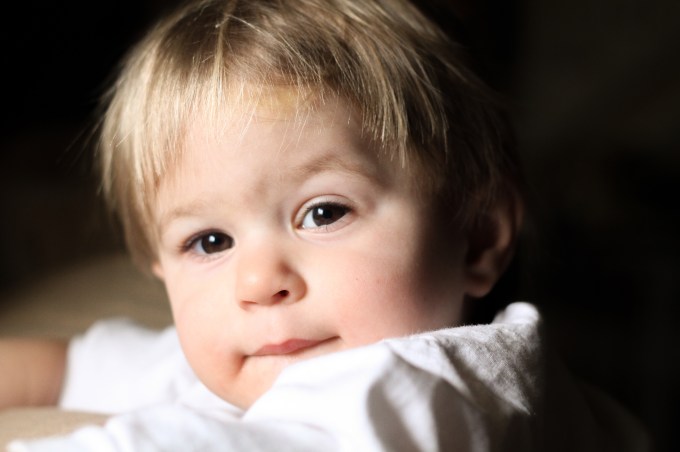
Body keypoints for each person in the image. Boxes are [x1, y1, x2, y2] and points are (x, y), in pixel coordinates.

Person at [1, 0, 648, 450]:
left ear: (477, 236)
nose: (259, 281)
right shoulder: (253, 348)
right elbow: (62, 367)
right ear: (160, 269)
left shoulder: (445, 390)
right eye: (210, 241)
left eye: (324, 213)